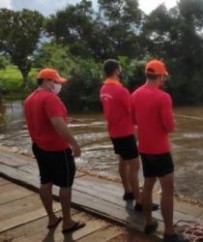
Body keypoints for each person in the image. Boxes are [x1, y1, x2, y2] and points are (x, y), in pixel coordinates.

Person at [131, 60, 188, 242]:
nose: (165, 79)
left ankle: (149, 223)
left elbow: (134, 120)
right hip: (161, 150)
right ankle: (169, 232)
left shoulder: (135, 95)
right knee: (167, 189)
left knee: (148, 185)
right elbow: (169, 127)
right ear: (161, 75)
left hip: (144, 149)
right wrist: (173, 123)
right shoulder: (163, 97)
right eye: (164, 76)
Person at [23, 68, 86, 233]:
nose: (58, 85)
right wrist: (74, 144)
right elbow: (57, 123)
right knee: (65, 184)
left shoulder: (30, 99)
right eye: (56, 82)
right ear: (47, 81)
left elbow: (42, 119)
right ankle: (67, 222)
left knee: (45, 181)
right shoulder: (50, 98)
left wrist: (68, 119)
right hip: (57, 149)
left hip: (39, 146)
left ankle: (52, 218)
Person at [99, 59, 158, 212]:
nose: (121, 71)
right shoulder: (121, 91)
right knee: (134, 166)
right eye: (120, 69)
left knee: (122, 160)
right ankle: (139, 201)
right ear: (116, 70)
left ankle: (128, 191)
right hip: (125, 133)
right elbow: (133, 112)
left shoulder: (104, 89)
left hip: (113, 132)